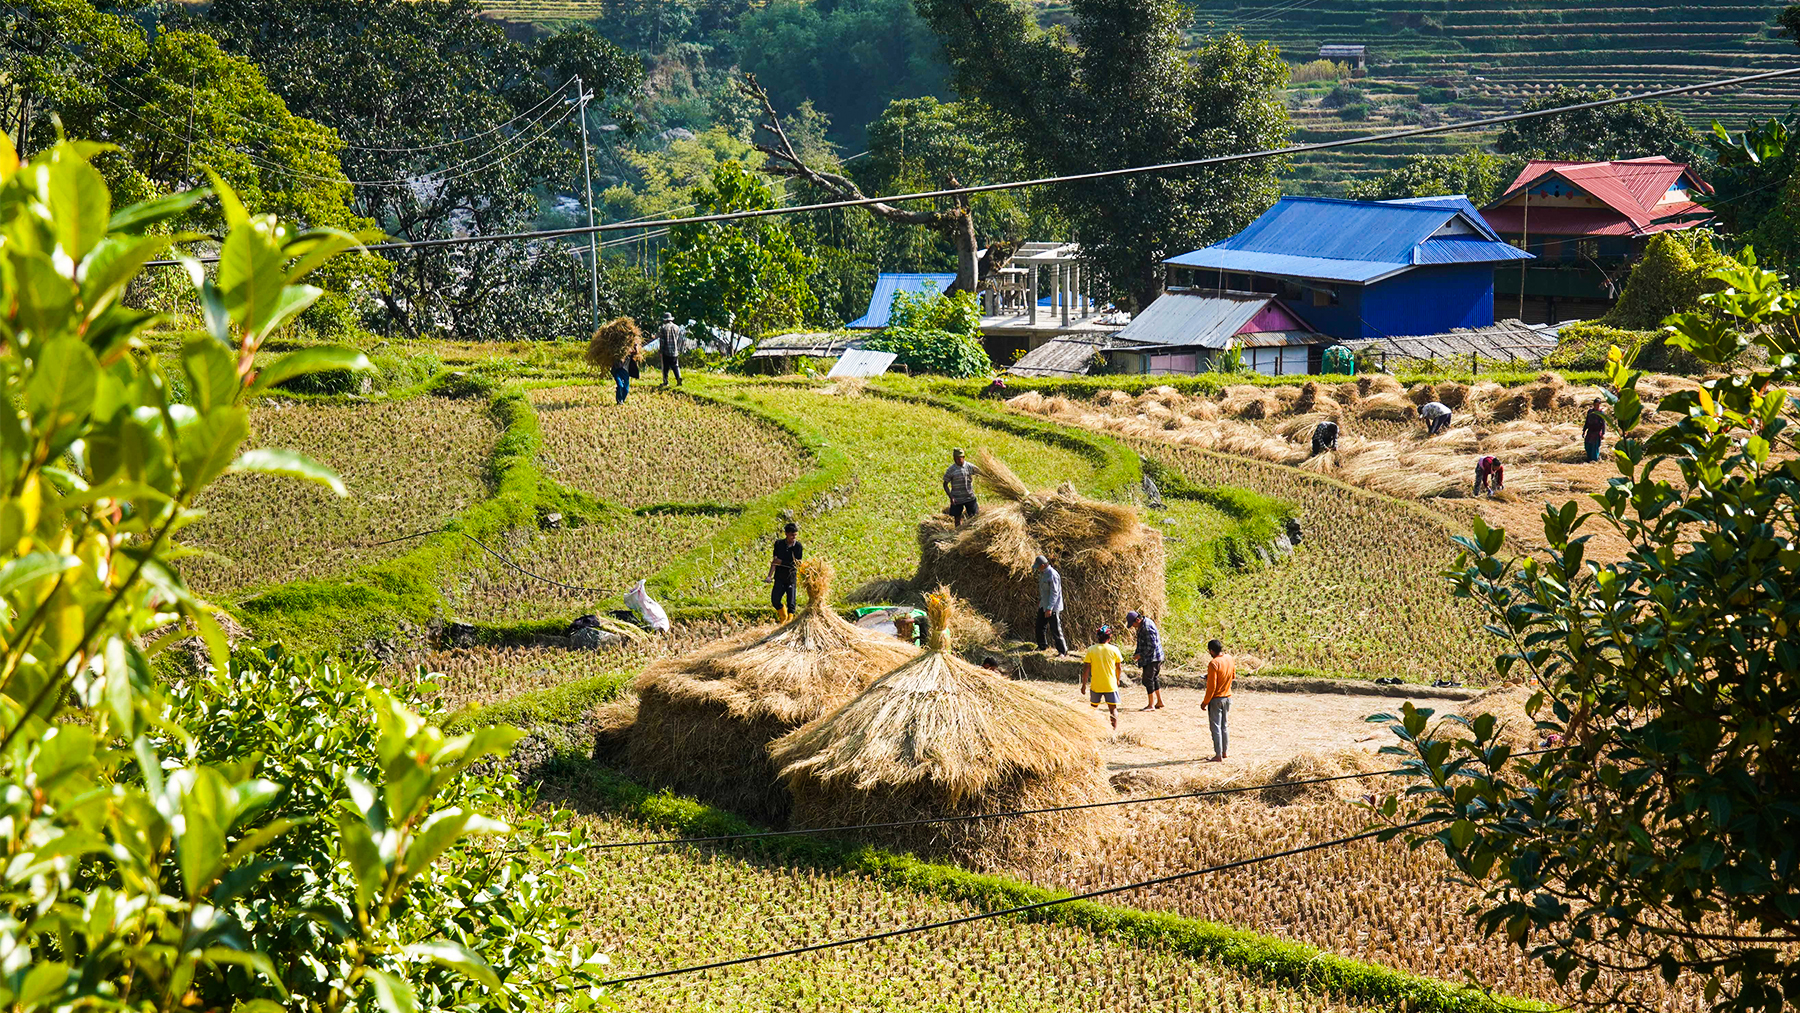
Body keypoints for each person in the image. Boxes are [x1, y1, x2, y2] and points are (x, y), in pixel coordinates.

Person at [1081, 626, 1124, 730]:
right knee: (1113, 709)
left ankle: (1091, 728)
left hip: (1096, 684)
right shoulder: (1114, 649)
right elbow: (1119, 667)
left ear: (1097, 637)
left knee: (1093, 708)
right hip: (1110, 684)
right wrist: (1117, 680)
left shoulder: (1091, 650)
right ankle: (1114, 730)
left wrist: (1083, 685)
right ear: (1109, 637)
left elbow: (1086, 669)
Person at [1202, 639, 1235, 762]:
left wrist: (1205, 702)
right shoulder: (1229, 658)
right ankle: (1225, 752)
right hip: (1228, 697)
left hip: (1216, 699)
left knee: (1215, 727)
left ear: (1211, 651)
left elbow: (1212, 687)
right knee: (1224, 726)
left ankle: (1218, 755)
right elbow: (1232, 675)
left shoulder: (1213, 663)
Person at [1125, 610, 1164, 711]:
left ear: (1137, 620)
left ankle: (1151, 705)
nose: (1133, 626)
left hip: (1153, 658)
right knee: (1154, 678)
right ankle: (1159, 701)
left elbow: (1151, 646)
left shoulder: (1147, 628)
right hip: (1155, 657)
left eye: (1133, 624)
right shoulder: (1145, 623)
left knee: (1147, 680)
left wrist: (1140, 655)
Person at [765, 522, 802, 620]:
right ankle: (783, 616)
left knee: (791, 604)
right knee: (775, 600)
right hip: (779, 577)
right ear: (786, 534)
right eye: (791, 535)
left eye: (795, 535)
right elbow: (774, 562)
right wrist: (769, 576)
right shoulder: (779, 544)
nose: (793, 537)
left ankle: (789, 621)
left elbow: (797, 564)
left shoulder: (798, 546)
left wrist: (782, 562)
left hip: (791, 578)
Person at [1033, 555, 1069, 655]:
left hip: (1052, 607)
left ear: (1043, 565)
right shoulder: (1043, 573)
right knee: (1039, 626)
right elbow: (1044, 591)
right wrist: (1042, 602)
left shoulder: (1052, 574)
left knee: (1055, 629)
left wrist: (1049, 608)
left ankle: (1063, 651)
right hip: (1044, 604)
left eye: (1038, 566)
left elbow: (1055, 593)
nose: (1037, 569)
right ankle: (1042, 647)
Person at [942, 448, 980, 525]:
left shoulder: (970, 467)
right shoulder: (951, 470)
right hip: (957, 498)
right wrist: (951, 497)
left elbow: (981, 472)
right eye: (955, 459)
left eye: (959, 458)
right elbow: (945, 484)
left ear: (963, 457)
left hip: (969, 496)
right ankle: (957, 533)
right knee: (957, 518)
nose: (957, 460)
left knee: (974, 517)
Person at [657, 312, 683, 388]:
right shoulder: (677, 328)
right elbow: (679, 340)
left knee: (665, 367)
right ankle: (678, 377)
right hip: (675, 350)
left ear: (665, 320)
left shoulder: (663, 328)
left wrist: (661, 351)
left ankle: (665, 381)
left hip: (666, 351)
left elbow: (662, 341)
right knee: (675, 365)